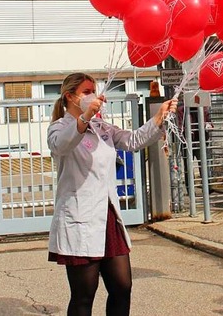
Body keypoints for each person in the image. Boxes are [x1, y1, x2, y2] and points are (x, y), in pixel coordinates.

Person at [47, 72, 177, 316]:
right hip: (80, 219)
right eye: (86, 92)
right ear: (70, 97)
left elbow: (133, 140)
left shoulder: (101, 127)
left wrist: (158, 118)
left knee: (122, 286)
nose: (93, 96)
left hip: (107, 217)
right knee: (84, 294)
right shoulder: (59, 127)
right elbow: (62, 144)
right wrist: (85, 116)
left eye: (93, 91)